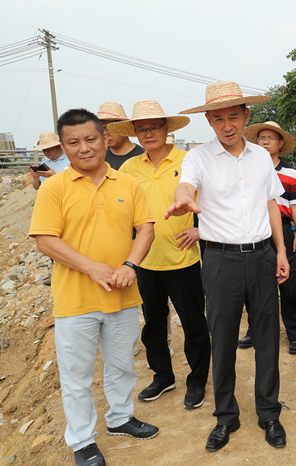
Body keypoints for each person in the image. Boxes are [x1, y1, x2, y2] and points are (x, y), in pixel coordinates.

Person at [29, 109, 158, 466]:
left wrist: (131, 264)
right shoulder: (53, 188)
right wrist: (94, 268)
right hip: (75, 301)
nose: (84, 148)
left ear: (105, 138)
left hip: (123, 295)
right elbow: (44, 240)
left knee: (122, 366)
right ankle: (83, 441)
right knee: (76, 377)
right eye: (73, 143)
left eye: (90, 139)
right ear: (63, 147)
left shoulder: (128, 183)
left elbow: (145, 229)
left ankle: (120, 418)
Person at [165, 81, 289, 452]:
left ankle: (269, 413)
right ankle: (225, 416)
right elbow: (185, 187)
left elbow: (272, 205)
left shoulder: (260, 157)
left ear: (246, 116)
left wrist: (281, 252)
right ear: (209, 120)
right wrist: (184, 200)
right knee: (222, 339)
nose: (227, 125)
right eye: (218, 118)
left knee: (267, 338)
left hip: (263, 256)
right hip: (220, 260)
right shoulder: (198, 157)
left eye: (234, 116)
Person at [109, 100, 211, 409]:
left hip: (183, 260)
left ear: (167, 128)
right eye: (142, 129)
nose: (149, 133)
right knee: (153, 324)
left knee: (194, 323)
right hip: (145, 262)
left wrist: (199, 229)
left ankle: (197, 380)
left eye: (155, 127)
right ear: (136, 134)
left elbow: (214, 201)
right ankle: (163, 376)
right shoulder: (129, 168)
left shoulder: (189, 160)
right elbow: (120, 209)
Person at [239, 121, 296, 354]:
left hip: (284, 233)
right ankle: (254, 332)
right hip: (255, 233)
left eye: (270, 138)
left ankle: (295, 334)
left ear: (280, 144)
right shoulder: (247, 170)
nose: (265, 142)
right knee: (255, 286)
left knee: (288, 285)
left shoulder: (290, 173)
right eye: (261, 138)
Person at [97, 102, 145, 170]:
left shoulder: (143, 157)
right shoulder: (100, 159)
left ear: (123, 128)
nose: (106, 134)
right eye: (102, 129)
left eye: (110, 128)